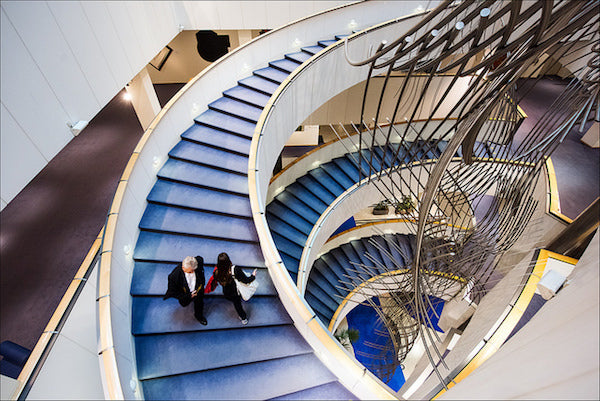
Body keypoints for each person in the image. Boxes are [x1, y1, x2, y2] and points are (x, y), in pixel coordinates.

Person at [205, 252, 256, 325]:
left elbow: (216, 280)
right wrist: (253, 276)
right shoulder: (235, 269)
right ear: (229, 260)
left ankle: (243, 318)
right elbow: (246, 281)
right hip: (235, 292)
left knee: (236, 304)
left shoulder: (216, 272)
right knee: (237, 304)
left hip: (226, 293)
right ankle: (243, 318)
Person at [163, 255, 207, 325]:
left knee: (199, 303)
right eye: (190, 272)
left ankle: (199, 316)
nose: (192, 273)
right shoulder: (174, 276)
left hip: (198, 291)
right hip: (185, 294)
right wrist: (189, 296)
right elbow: (174, 292)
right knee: (184, 303)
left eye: (193, 271)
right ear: (183, 268)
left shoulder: (198, 262)